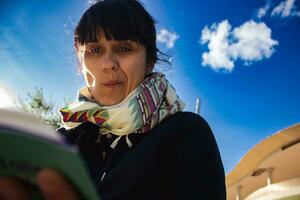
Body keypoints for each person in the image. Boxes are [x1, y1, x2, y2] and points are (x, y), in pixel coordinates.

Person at [0, 0, 226, 199]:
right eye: (95, 50)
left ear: (149, 61)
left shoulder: (184, 133)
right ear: (81, 64)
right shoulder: (60, 143)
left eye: (124, 48)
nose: (108, 63)